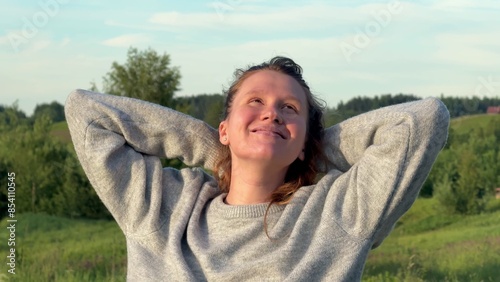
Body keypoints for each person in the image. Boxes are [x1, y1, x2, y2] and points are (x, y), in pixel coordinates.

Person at [65, 56, 450, 281]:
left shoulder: (336, 213)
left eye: (290, 109)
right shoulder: (164, 206)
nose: (272, 112)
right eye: (256, 101)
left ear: (306, 144)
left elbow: (422, 121)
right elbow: (86, 112)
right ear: (224, 128)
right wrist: (213, 147)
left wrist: (308, 148)